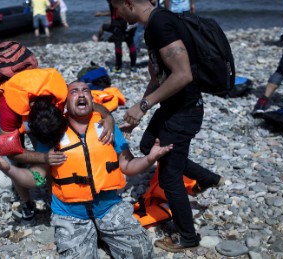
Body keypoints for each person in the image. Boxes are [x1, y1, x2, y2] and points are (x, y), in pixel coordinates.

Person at [0, 81, 174, 258]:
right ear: (65, 103)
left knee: (142, 254)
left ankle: (102, 234)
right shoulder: (53, 131)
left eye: (86, 91)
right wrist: (8, 169)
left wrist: (150, 158)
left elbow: (128, 166)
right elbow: (36, 179)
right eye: (74, 91)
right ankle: (90, 236)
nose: (81, 94)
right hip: (70, 214)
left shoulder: (106, 126)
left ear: (92, 100)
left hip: (109, 207)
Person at [110, 0, 224, 252]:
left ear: (128, 3)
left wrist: (143, 105)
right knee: (148, 144)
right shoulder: (153, 25)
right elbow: (157, 76)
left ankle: (188, 237)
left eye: (116, 8)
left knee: (170, 177)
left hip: (185, 111)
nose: (116, 14)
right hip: (171, 108)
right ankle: (208, 178)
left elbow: (183, 74)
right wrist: (141, 109)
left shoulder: (161, 23)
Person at [0, 67, 115, 222]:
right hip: (3, 98)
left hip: (34, 87)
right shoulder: (8, 109)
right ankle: (26, 202)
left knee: (50, 151)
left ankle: (52, 196)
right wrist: (43, 157)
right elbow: (10, 151)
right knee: (13, 159)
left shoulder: (61, 95)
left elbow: (92, 106)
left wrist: (108, 117)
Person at [92, 0, 137, 73]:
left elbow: (117, 12)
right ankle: (133, 66)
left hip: (118, 24)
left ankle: (118, 67)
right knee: (131, 43)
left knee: (118, 45)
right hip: (129, 22)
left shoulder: (113, 2)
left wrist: (102, 14)